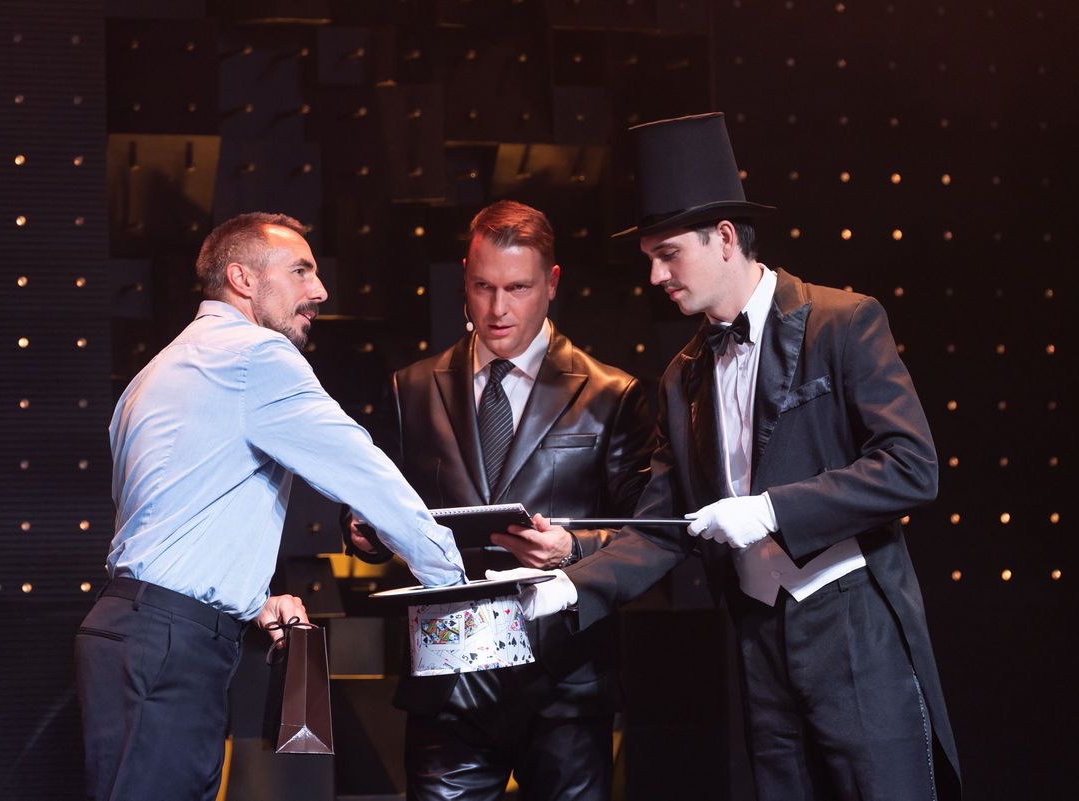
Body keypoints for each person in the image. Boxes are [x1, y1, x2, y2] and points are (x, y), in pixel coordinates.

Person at [493, 113, 962, 800]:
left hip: (852, 625)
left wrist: (771, 510)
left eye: (667, 254)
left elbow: (911, 468)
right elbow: (661, 527)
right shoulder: (682, 376)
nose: (655, 275)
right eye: (648, 257)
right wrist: (572, 586)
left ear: (723, 238)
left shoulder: (843, 322)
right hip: (757, 635)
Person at [74, 212, 466, 801]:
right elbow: (364, 473)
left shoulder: (158, 371)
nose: (321, 290)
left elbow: (171, 520)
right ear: (243, 279)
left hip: (139, 632)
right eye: (301, 271)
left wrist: (252, 600)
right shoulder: (254, 356)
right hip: (169, 645)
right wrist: (452, 584)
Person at [346, 200, 654, 801]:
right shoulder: (411, 389)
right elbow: (376, 505)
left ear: (552, 282)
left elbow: (646, 539)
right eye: (483, 287)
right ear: (464, 277)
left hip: (564, 675)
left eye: (517, 288)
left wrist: (571, 549)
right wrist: (362, 530)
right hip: (448, 674)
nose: (497, 309)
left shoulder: (612, 394)